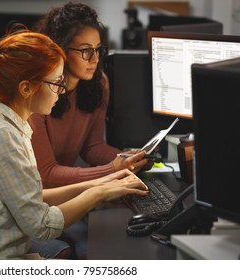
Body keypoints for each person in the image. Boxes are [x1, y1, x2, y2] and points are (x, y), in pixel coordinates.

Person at [0, 28, 148, 260]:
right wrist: (99, 193)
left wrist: (102, 182)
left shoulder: (9, 123)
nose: (61, 93)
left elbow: (32, 196)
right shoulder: (2, 136)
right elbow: (42, 226)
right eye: (55, 83)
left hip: (4, 250)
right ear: (26, 88)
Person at [29, 2, 152, 259]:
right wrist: (112, 170)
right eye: (85, 51)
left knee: (120, 238)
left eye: (98, 50)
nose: (95, 60)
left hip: (60, 197)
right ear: (60, 50)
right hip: (33, 202)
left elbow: (92, 146)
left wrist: (127, 157)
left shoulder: (98, 83)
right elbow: (46, 175)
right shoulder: (37, 94)